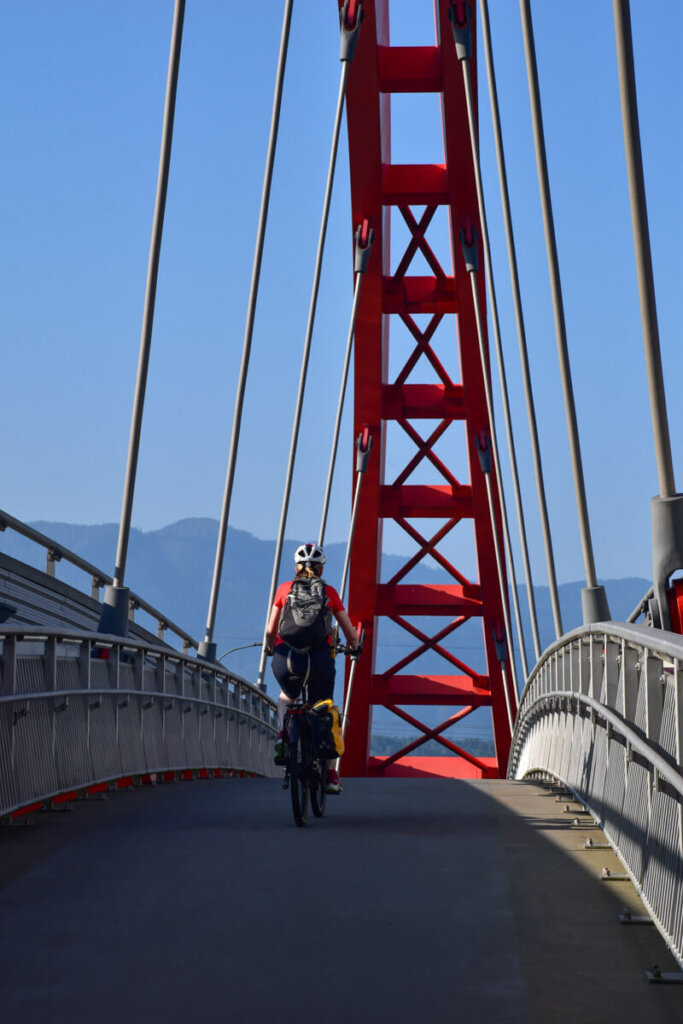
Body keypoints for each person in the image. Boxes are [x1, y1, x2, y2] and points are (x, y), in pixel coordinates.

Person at [264, 542, 359, 794]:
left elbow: (270, 630)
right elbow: (350, 632)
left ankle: (284, 737)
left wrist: (269, 647)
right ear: (320, 568)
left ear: (296, 567)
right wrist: (355, 646)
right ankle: (329, 774)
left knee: (287, 697)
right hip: (319, 661)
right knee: (324, 708)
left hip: (287, 659)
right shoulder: (329, 592)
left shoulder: (284, 589)